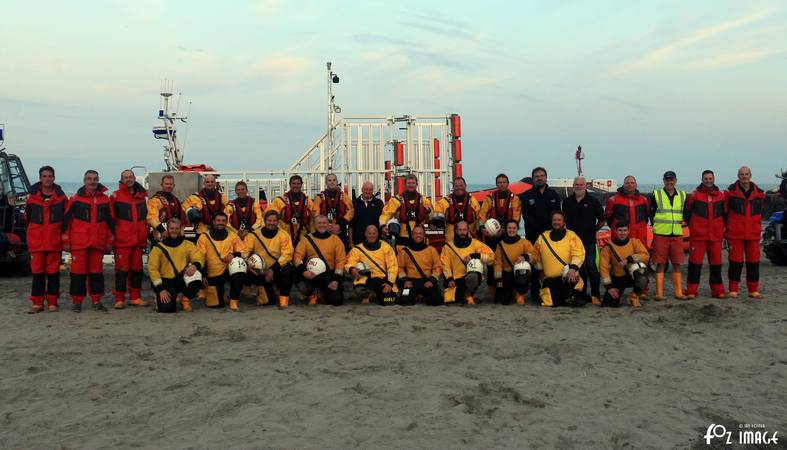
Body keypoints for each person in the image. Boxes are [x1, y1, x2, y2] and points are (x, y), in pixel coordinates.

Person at [62, 170, 114, 312]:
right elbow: (66, 222)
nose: (92, 181)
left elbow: (111, 223)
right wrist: (65, 240)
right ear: (84, 180)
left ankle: (96, 301)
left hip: (98, 242)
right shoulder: (75, 199)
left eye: (95, 179)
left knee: (96, 273)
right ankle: (77, 302)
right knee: (77, 274)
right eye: (89, 179)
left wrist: (110, 241)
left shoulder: (105, 199)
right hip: (79, 243)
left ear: (98, 180)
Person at [25, 165, 68, 313]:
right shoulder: (31, 198)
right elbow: (27, 217)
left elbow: (66, 220)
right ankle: (37, 302)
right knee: (37, 273)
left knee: (53, 273)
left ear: (54, 178)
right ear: (40, 178)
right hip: (37, 241)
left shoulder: (62, 198)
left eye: (50, 176)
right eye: (44, 176)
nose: (47, 179)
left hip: (54, 241)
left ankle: (52, 302)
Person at [684, 170, 727, 299]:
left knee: (716, 264)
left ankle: (717, 290)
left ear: (714, 179)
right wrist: (694, 226)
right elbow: (686, 213)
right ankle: (691, 290)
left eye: (710, 178)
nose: (708, 181)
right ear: (702, 180)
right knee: (695, 264)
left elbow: (725, 215)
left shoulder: (721, 196)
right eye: (706, 179)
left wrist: (721, 228)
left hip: (716, 236)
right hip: (698, 237)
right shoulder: (694, 196)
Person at [478, 173, 522, 297]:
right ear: (496, 184)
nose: (502, 184)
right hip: (491, 236)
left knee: (510, 263)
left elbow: (516, 217)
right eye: (499, 182)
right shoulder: (489, 198)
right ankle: (493, 292)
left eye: (504, 182)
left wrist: (505, 230)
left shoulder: (515, 199)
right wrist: (483, 228)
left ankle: (513, 290)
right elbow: (482, 215)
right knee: (492, 264)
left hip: (508, 236)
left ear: (508, 184)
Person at [562, 176, 605, 304]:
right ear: (573, 186)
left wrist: (594, 230)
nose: (578, 186)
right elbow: (563, 221)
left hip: (589, 241)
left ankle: (596, 294)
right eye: (576, 184)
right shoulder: (567, 202)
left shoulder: (593, 201)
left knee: (591, 268)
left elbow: (602, 219)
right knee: (578, 269)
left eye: (581, 184)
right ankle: (581, 293)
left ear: (585, 186)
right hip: (573, 243)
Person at [110, 169, 149, 309]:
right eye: (125, 177)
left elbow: (147, 218)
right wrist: (111, 238)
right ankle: (119, 299)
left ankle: (135, 297)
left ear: (134, 178)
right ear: (121, 180)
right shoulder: (116, 196)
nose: (128, 179)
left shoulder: (142, 196)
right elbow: (110, 219)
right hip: (122, 241)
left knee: (137, 270)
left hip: (138, 241)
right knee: (122, 270)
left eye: (130, 177)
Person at [725, 166, 765, 299]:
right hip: (735, 234)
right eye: (741, 174)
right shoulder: (729, 193)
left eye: (746, 174)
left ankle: (753, 289)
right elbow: (724, 212)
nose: (744, 176)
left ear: (750, 175)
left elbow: (762, 212)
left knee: (753, 262)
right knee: (735, 263)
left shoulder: (759, 194)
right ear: (738, 176)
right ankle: (733, 289)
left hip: (753, 234)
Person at [148, 218, 204, 313]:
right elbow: (153, 270)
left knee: (197, 276)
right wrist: (160, 289)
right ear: (167, 230)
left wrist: (194, 266)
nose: (174, 231)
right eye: (172, 228)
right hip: (165, 282)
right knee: (167, 310)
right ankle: (157, 296)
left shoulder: (188, 244)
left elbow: (199, 258)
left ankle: (185, 300)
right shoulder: (157, 248)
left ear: (180, 229)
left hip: (180, 279)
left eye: (177, 228)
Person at [532, 211, 586, 307]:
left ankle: (572, 295)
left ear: (564, 222)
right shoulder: (542, 237)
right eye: (554, 220)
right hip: (550, 279)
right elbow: (535, 255)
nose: (556, 222)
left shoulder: (571, 236)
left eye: (559, 220)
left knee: (575, 301)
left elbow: (579, 253)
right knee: (551, 303)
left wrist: (573, 268)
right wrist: (540, 271)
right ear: (551, 221)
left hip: (568, 277)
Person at [648, 171, 688, 301]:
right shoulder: (657, 194)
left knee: (677, 263)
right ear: (663, 180)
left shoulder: (682, 195)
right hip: (661, 234)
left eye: (671, 180)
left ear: (675, 181)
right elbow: (652, 214)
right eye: (667, 180)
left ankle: (678, 292)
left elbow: (686, 214)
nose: (669, 182)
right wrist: (656, 229)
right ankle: (659, 293)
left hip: (676, 233)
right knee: (660, 263)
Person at [196, 212, 248, 311]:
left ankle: (234, 300)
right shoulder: (203, 237)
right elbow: (199, 258)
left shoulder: (233, 236)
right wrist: (203, 276)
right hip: (213, 273)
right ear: (213, 222)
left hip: (229, 270)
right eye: (218, 220)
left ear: (226, 222)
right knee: (216, 304)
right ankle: (219, 294)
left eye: (223, 221)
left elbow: (244, 252)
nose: (221, 223)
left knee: (239, 266)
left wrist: (233, 255)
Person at [293, 215, 347, 306]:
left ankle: (321, 292)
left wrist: (336, 280)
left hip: (328, 275)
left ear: (328, 224)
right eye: (319, 223)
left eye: (324, 223)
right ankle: (313, 292)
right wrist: (304, 271)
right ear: (314, 224)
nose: (322, 225)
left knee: (337, 301)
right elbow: (297, 257)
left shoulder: (336, 240)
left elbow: (340, 260)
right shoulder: (306, 239)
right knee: (304, 286)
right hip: (311, 274)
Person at [246, 210, 294, 309]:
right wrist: (248, 264)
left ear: (278, 222)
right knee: (267, 301)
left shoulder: (284, 235)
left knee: (288, 270)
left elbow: (287, 254)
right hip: (260, 270)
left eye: (274, 220)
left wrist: (272, 270)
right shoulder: (253, 235)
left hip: (277, 268)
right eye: (269, 220)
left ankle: (283, 299)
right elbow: (244, 251)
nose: (272, 223)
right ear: (264, 221)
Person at [440, 221, 494, 305]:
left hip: (472, 277)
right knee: (453, 302)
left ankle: (469, 294)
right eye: (460, 230)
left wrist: (474, 256)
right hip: (455, 280)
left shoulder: (475, 244)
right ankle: (466, 296)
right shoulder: (447, 247)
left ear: (468, 230)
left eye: (464, 230)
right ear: (456, 231)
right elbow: (445, 265)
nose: (462, 232)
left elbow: (491, 257)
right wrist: (449, 279)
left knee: (473, 277)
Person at [599, 222, 650, 307]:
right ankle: (618, 299)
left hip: (633, 275)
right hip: (618, 277)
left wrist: (630, 259)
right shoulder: (608, 247)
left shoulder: (635, 242)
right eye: (620, 230)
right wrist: (609, 287)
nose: (623, 233)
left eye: (625, 230)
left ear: (628, 231)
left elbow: (646, 256)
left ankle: (634, 296)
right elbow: (603, 268)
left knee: (642, 275)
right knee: (608, 304)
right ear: (615, 231)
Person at [347, 224, 399, 305]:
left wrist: (389, 283)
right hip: (366, 278)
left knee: (389, 301)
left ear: (378, 234)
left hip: (382, 279)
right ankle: (368, 294)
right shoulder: (357, 249)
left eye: (374, 233)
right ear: (365, 234)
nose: (372, 235)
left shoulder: (386, 247)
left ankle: (375, 294)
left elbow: (393, 266)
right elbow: (349, 262)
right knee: (359, 290)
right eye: (369, 233)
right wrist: (352, 269)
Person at [380, 174, 433, 248]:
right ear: (404, 184)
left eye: (413, 183)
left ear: (416, 184)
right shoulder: (396, 201)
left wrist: (428, 211)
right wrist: (383, 226)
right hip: (403, 239)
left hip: (420, 237)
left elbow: (432, 217)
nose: (411, 185)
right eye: (408, 183)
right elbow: (385, 215)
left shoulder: (424, 201)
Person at [397, 225, 442, 306]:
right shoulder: (404, 251)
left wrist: (431, 281)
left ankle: (422, 295)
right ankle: (416, 296)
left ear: (424, 235)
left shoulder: (432, 250)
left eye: (420, 233)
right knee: (403, 301)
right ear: (412, 235)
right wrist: (404, 281)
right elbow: (399, 268)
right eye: (416, 233)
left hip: (426, 281)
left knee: (436, 301)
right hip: (411, 282)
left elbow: (438, 267)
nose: (418, 235)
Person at [493, 220, 536, 305]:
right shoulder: (501, 244)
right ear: (506, 229)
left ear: (517, 229)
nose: (511, 230)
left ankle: (520, 293)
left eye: (514, 228)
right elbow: (497, 262)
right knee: (503, 301)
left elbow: (535, 256)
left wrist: (525, 257)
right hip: (507, 274)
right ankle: (512, 292)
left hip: (520, 273)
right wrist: (499, 279)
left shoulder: (524, 242)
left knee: (522, 276)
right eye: (509, 228)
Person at [270, 175, 313, 249]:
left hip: (303, 237)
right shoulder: (279, 201)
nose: (296, 185)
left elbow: (313, 219)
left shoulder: (308, 201)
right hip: (285, 238)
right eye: (293, 183)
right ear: (289, 184)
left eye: (298, 183)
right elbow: (269, 217)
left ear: (301, 185)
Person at [312, 173, 354, 247]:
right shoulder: (320, 197)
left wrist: (340, 224)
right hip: (324, 230)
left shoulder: (344, 196)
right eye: (329, 180)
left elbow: (350, 211)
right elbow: (316, 213)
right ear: (326, 182)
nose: (332, 182)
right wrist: (326, 226)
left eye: (334, 180)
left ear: (337, 182)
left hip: (340, 229)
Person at [434, 176, 480, 242]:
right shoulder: (444, 202)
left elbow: (479, 219)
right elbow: (436, 220)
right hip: (451, 241)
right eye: (456, 186)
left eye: (461, 185)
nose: (459, 188)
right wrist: (435, 223)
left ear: (465, 186)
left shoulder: (473, 201)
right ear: (453, 187)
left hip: (470, 239)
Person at [146, 174, 184, 242]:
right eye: (166, 184)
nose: (169, 186)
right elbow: (151, 218)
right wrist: (162, 230)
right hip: (159, 236)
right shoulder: (155, 200)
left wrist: (181, 234)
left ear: (173, 185)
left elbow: (180, 218)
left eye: (171, 184)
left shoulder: (176, 200)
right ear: (162, 185)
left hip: (174, 235)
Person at [350, 181, 384, 246]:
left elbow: (382, 221)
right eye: (366, 189)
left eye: (370, 189)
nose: (368, 191)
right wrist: (351, 242)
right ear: (362, 190)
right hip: (358, 241)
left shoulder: (379, 203)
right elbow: (351, 225)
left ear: (373, 190)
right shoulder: (354, 203)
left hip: (375, 241)